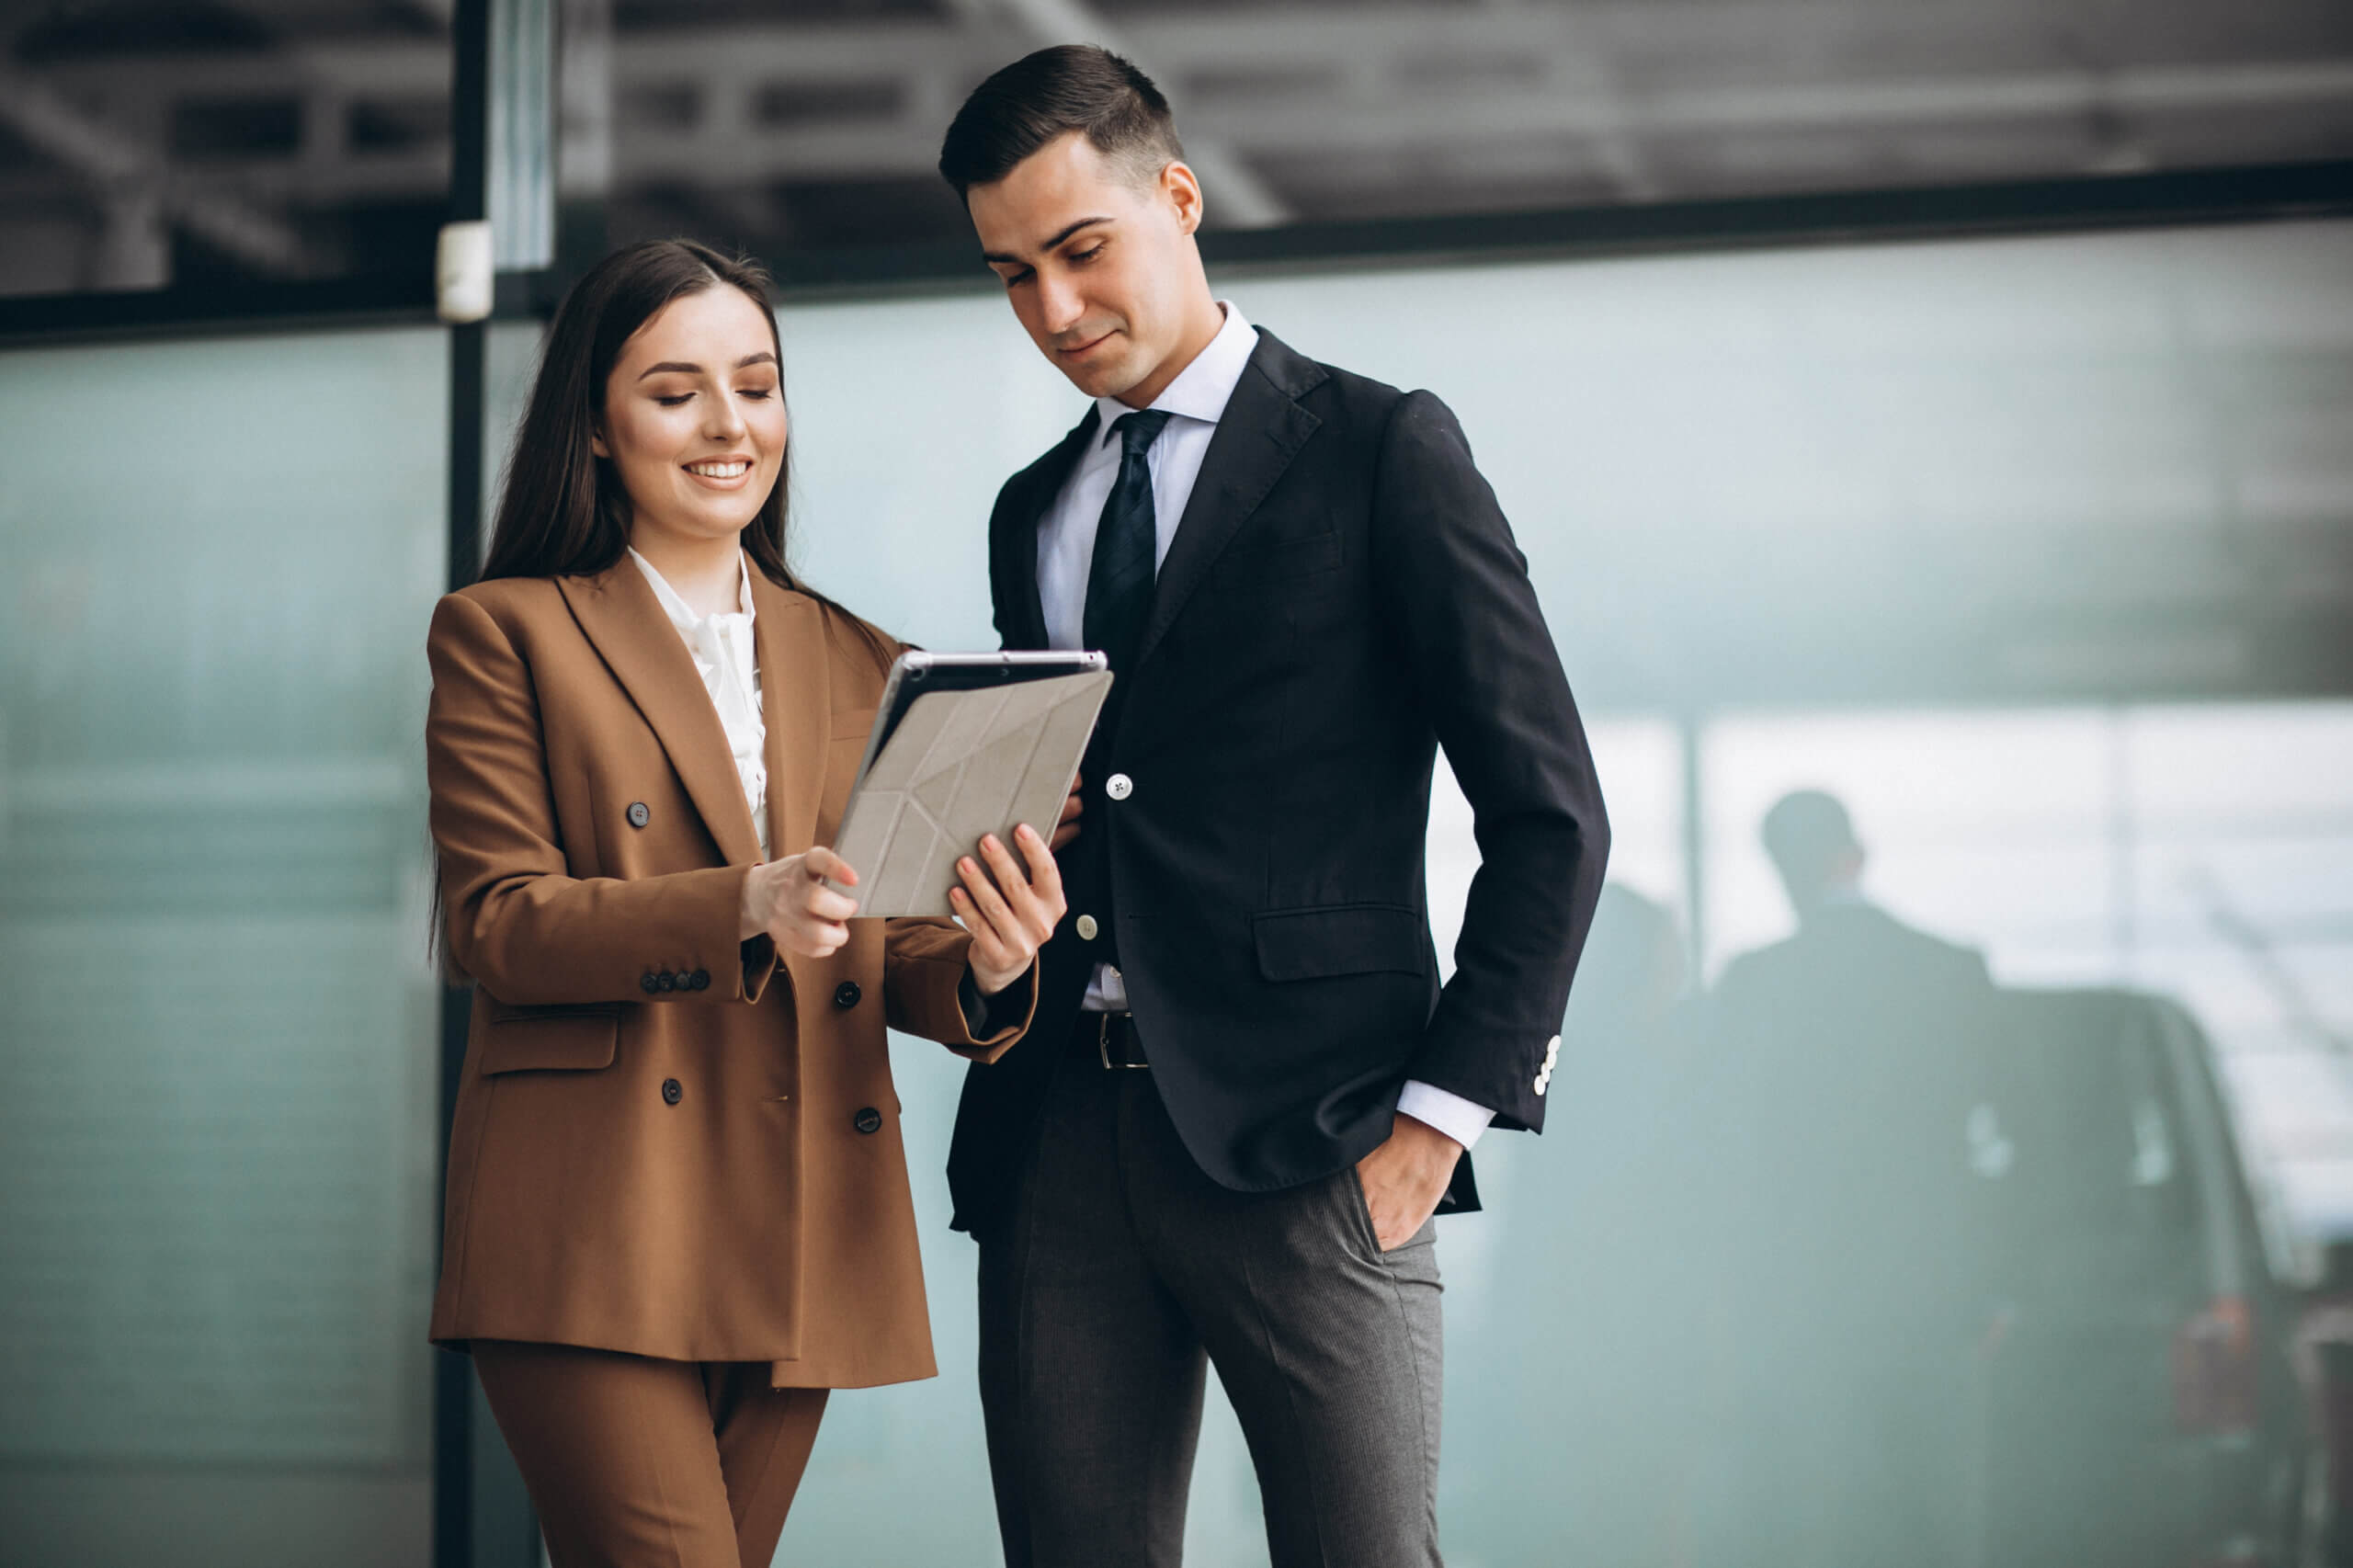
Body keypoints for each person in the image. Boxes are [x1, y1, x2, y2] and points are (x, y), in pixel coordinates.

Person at [935, 47, 1610, 1568]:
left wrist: (1435, 1125)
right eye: (1010, 274)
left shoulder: (1383, 450)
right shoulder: (1030, 511)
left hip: (1317, 1141)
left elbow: (1552, 813)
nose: (1050, 308)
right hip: (1056, 1142)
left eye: (1080, 250)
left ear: (1177, 198)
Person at [422, 238, 1069, 1568]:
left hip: (797, 1210)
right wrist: (742, 903)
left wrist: (991, 963)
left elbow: (895, 944)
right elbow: (499, 922)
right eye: (676, 392)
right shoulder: (507, 632)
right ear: (595, 428)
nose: (730, 425)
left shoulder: (865, 657)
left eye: (757, 384)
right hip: (600, 1219)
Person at [1693, 788, 1999, 1568]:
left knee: (1815, 1523)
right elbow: (1998, 1135)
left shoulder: (1754, 983)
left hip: (1799, 1309)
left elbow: (1724, 1157)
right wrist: (1986, 1281)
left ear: (1780, 868)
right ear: (1856, 854)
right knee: (1935, 1520)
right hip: (1935, 1300)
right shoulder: (1953, 970)